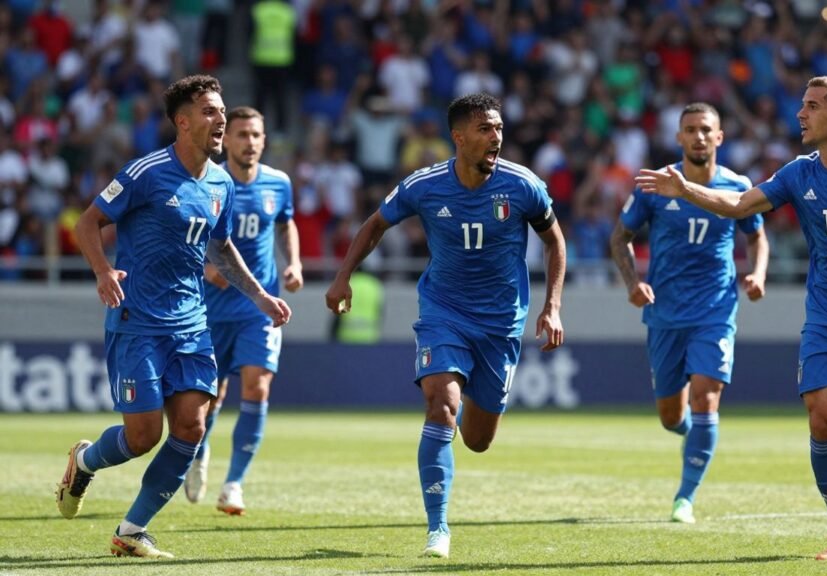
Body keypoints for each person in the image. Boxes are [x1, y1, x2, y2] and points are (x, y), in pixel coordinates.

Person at [636, 76, 827, 560]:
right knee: (823, 421)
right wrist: (688, 191)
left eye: (812, 106)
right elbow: (741, 205)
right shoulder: (797, 174)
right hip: (825, 317)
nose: (800, 114)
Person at [56, 75, 292, 559]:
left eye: (222, 110)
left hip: (191, 322)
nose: (220, 119)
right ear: (182, 123)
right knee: (143, 436)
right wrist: (103, 272)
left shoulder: (223, 182)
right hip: (138, 321)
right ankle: (85, 459)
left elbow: (221, 248)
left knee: (191, 426)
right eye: (209, 111)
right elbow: (87, 222)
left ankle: (132, 529)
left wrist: (261, 297)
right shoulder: (146, 172)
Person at [325, 93, 566, 559]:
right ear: (458, 138)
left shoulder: (523, 185)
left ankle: (462, 424)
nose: (496, 137)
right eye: (484, 129)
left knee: (477, 440)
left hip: (500, 323)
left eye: (498, 128)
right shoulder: (425, 185)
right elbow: (376, 224)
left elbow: (555, 241)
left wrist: (552, 305)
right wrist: (342, 276)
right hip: (444, 312)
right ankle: (438, 529)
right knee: (441, 404)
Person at [610, 102, 769, 525]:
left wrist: (757, 273)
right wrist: (633, 283)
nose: (698, 136)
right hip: (664, 313)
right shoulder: (655, 186)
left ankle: (685, 498)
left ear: (719, 137)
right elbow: (620, 236)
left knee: (706, 396)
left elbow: (757, 237)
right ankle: (692, 436)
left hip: (715, 309)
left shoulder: (736, 185)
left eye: (706, 129)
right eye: (690, 130)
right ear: (678, 138)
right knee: (671, 416)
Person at [183, 106, 303, 514]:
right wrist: (204, 267)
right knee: (211, 398)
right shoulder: (208, 182)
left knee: (257, 386)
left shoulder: (278, 183)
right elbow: (182, 234)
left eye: (256, 135)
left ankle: (233, 484)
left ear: (263, 140)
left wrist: (293, 262)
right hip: (211, 310)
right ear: (226, 139)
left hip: (259, 305)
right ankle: (198, 451)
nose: (249, 142)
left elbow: (286, 222)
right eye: (241, 135)